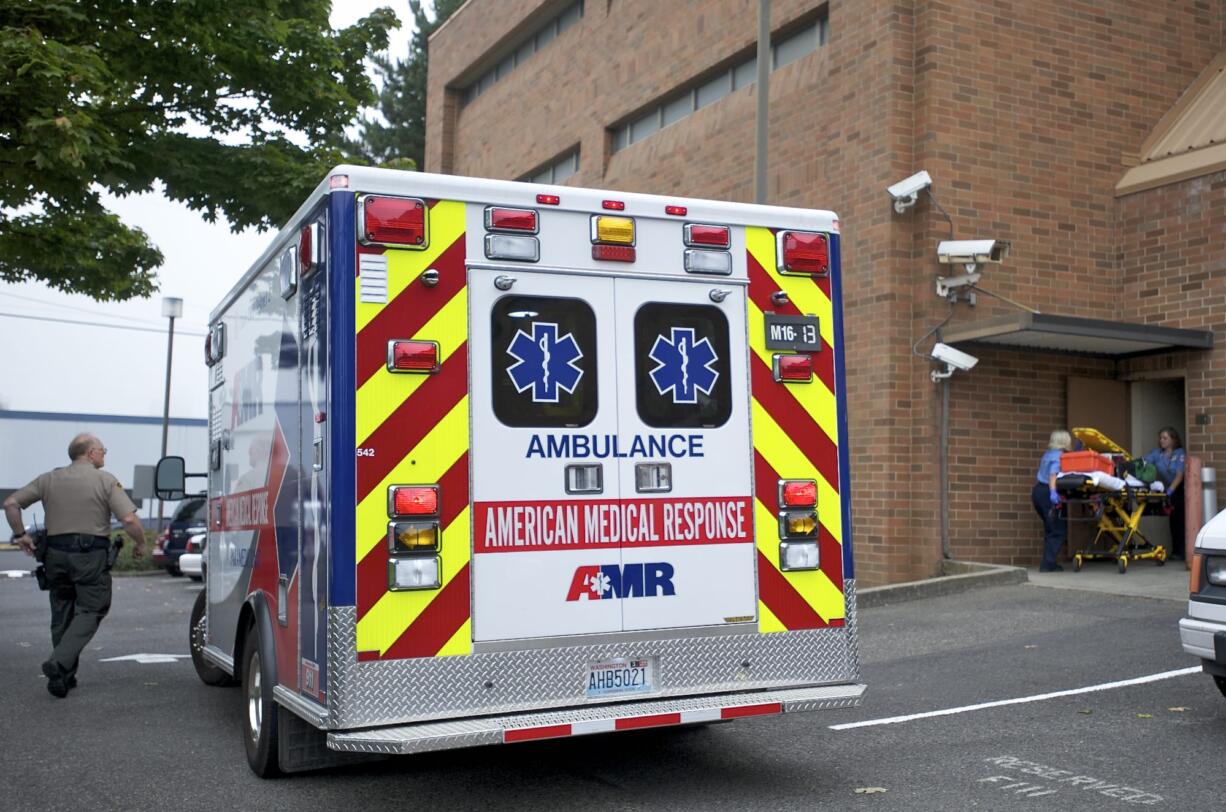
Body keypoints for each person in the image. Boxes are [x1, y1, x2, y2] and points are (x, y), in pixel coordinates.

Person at [3, 433, 148, 698]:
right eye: (102, 449)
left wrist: (21, 534)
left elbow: (11, 503)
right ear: (90, 453)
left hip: (54, 556)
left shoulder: (48, 479)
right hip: (89, 556)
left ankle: (63, 678)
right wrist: (140, 543)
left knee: (62, 611)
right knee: (92, 608)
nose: (104, 454)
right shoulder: (105, 480)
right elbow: (128, 520)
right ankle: (59, 663)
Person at [1145, 426, 1187, 559]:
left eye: (1165, 438)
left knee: (1179, 520)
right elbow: (1143, 463)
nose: (1161, 440)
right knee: (1172, 521)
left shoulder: (1180, 453)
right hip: (1169, 488)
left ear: (1173, 440)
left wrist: (1169, 492)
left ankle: (1181, 552)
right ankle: (1176, 552)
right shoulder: (1157, 453)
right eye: (1160, 438)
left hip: (1179, 488)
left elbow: (1179, 476)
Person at [1033, 429, 1072, 572]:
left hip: (1038, 492)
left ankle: (1049, 562)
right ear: (1064, 441)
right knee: (1057, 530)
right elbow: (1053, 475)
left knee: (1051, 529)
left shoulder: (1047, 454)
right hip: (1048, 493)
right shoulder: (1059, 456)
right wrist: (1053, 493)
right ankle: (1047, 564)